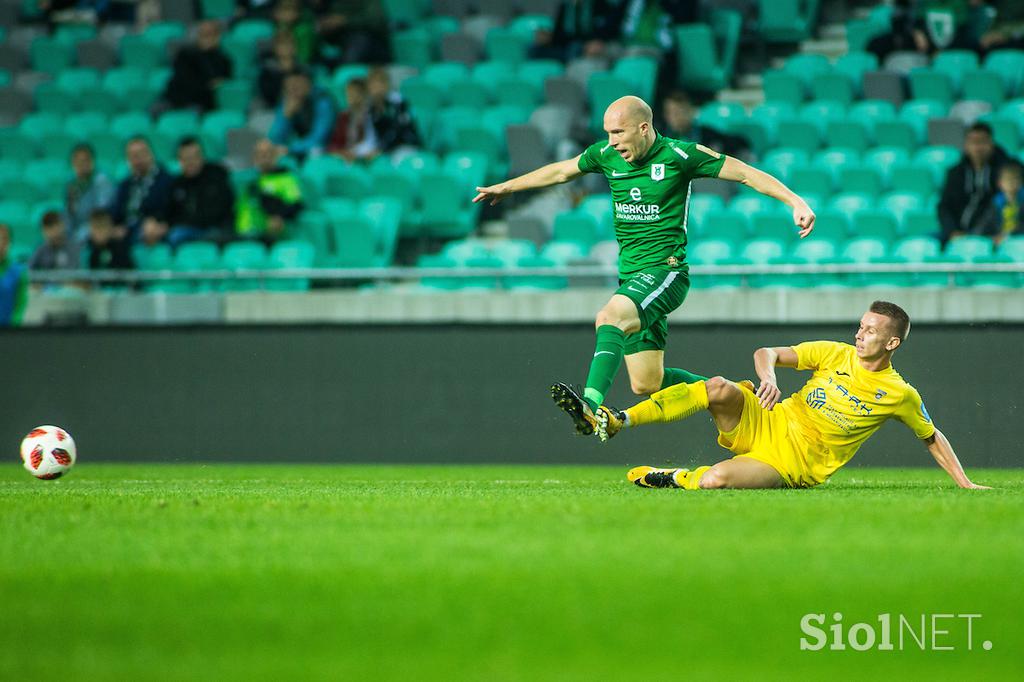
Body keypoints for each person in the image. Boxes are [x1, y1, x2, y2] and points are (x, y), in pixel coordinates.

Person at [473, 96, 816, 436]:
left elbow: (743, 173)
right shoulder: (606, 156)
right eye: (608, 133)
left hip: (666, 273)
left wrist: (795, 201)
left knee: (609, 318)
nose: (612, 142)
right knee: (647, 382)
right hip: (632, 278)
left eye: (619, 132)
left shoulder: (680, 155)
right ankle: (734, 393)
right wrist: (507, 187)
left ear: (643, 127)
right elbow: (562, 170)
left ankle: (590, 408)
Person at [599, 301, 991, 491]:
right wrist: (768, 376)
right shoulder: (835, 353)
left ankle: (673, 477)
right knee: (718, 385)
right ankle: (620, 419)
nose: (859, 334)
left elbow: (931, 435)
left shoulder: (900, 393)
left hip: (793, 462)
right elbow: (766, 352)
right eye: (860, 326)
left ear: (891, 342)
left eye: (870, 331)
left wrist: (965, 483)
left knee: (715, 480)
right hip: (769, 418)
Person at [938, 122, 1010, 244]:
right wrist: (952, 231)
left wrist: (1001, 232)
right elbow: (944, 206)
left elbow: (1010, 203)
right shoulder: (955, 173)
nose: (978, 147)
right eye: (973, 142)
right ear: (966, 145)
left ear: (991, 144)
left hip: (990, 233)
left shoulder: (1006, 171)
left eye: (982, 141)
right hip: (957, 232)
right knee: (922, 243)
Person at [165, 137, 236, 246]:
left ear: (202, 156)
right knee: (173, 236)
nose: (191, 162)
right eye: (186, 158)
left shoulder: (217, 176)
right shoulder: (177, 184)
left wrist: (191, 222)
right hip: (188, 230)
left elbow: (223, 208)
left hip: (216, 228)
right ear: (180, 160)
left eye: (194, 157)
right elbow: (170, 213)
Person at [236, 139, 304, 244]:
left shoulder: (286, 178)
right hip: (244, 235)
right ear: (254, 158)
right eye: (259, 154)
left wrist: (280, 216)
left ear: (275, 156)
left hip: (271, 235)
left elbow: (296, 204)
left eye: (268, 153)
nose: (264, 157)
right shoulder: (249, 181)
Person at [158, 19, 233, 113]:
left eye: (209, 34)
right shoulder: (185, 54)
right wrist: (207, 84)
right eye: (202, 33)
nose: (205, 38)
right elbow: (184, 81)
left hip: (201, 104)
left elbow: (221, 84)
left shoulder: (224, 60)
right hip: (175, 100)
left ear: (218, 36)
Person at [110, 137, 173, 244]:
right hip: (126, 230)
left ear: (150, 154)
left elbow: (169, 210)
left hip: (149, 229)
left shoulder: (165, 181)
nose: (137, 159)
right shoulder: (125, 184)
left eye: (141, 154)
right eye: (132, 156)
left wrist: (157, 222)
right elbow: (116, 211)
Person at [660, 90, 751, 159]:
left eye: (678, 112)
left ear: (690, 111)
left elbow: (740, 143)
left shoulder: (708, 135)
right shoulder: (659, 138)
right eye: (669, 112)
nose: (674, 117)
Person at [268, 70, 336, 161]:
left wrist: (290, 149)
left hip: (326, 151)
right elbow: (274, 140)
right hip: (300, 151)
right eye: (289, 86)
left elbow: (319, 139)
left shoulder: (323, 102)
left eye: (297, 85)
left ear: (308, 84)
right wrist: (286, 116)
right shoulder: (287, 102)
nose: (293, 90)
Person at [530, 0, 627, 62]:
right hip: (567, 46)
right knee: (534, 49)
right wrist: (548, 37)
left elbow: (608, 29)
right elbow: (559, 35)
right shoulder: (565, 7)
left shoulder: (600, 5)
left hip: (587, 45)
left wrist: (598, 41)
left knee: (575, 50)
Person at [64, 143, 114, 243]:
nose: (81, 165)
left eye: (85, 161)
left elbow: (101, 213)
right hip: (76, 235)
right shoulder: (71, 186)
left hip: (97, 233)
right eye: (77, 161)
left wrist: (78, 236)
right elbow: (68, 215)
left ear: (92, 161)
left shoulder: (102, 182)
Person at [366, 67, 420, 156]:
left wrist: (380, 149)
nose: (377, 88)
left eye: (380, 83)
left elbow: (398, 130)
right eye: (373, 85)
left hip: (404, 147)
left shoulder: (399, 103)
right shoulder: (369, 108)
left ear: (387, 85)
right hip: (382, 150)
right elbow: (370, 135)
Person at [327, 77, 378, 161]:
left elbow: (374, 143)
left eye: (355, 93)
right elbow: (335, 142)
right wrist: (340, 151)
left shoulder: (372, 115)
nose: (351, 96)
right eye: (349, 93)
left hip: (366, 154)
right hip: (346, 155)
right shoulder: (343, 116)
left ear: (364, 95)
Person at [258, 30, 303, 108]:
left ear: (295, 47)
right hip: (271, 108)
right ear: (275, 48)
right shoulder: (267, 71)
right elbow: (268, 95)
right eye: (282, 44)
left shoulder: (302, 70)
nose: (286, 48)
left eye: (289, 44)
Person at [0, 223, 29, 327]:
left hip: (9, 333)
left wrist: (12, 329)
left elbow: (20, 304)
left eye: (4, 239)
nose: (1, 243)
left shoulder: (19, 271)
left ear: (9, 242)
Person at [990, 162, 1023, 244]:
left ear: (1021, 182)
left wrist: (1010, 235)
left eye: (1015, 179)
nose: (1011, 183)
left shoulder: (1022, 201)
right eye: (1008, 179)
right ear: (1000, 183)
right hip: (1000, 238)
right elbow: (986, 221)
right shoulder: (996, 202)